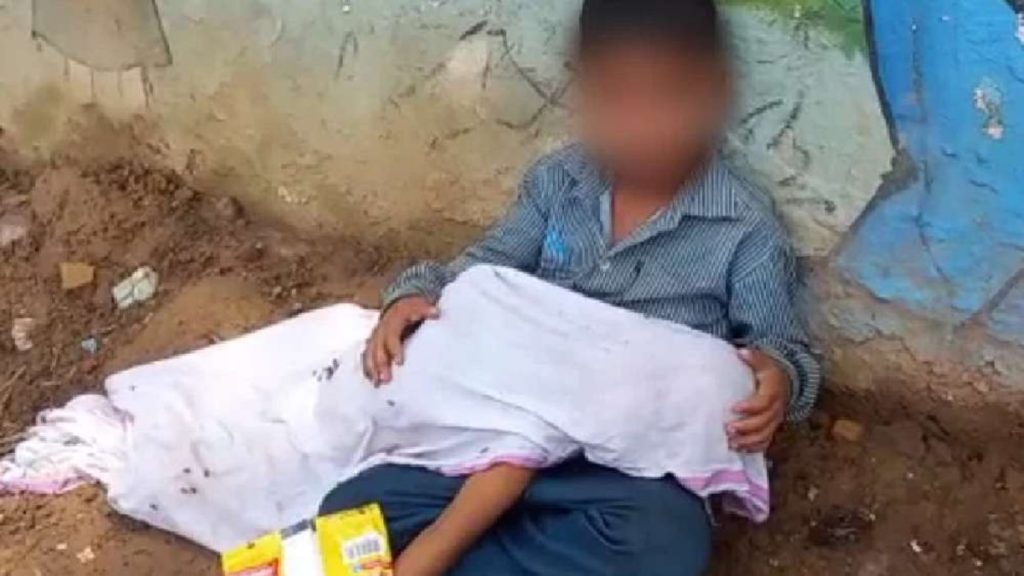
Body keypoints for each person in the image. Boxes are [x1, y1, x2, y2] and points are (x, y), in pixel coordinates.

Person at [320, 0, 821, 573]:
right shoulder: (559, 183)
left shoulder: (744, 230)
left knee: (665, 544)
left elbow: (781, 348)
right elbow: (482, 274)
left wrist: (779, 378)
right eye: (614, 99)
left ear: (711, 94)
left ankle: (469, 542)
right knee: (351, 509)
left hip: (620, 466)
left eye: (667, 97)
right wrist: (410, 296)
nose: (639, 126)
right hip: (507, 422)